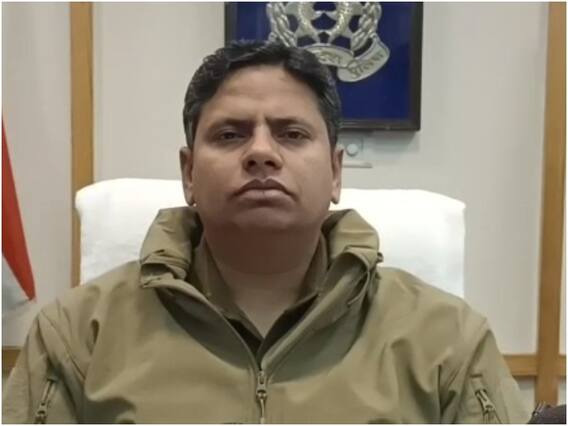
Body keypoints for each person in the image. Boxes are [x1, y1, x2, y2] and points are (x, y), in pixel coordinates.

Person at [2, 41, 529, 424]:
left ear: (335, 172)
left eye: (291, 134)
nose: (260, 152)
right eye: (230, 134)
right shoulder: (78, 335)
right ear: (189, 173)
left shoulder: (446, 340)